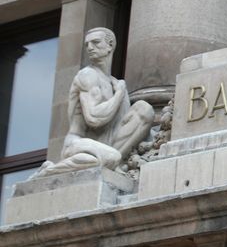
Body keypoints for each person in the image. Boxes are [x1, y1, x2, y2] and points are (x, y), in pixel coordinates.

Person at [35, 27, 154, 177]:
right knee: (112, 157)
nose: (90, 48)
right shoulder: (87, 75)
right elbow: (94, 118)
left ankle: (111, 162)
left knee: (144, 110)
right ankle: (49, 171)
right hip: (77, 144)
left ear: (110, 45)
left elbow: (124, 123)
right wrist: (118, 94)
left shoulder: (115, 83)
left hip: (105, 143)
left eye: (96, 42)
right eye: (87, 44)